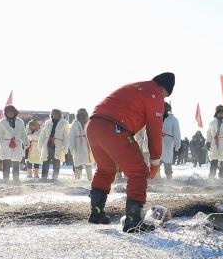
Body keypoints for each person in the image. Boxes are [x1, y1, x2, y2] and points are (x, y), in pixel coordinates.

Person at [86, 72, 173, 232]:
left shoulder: (136, 87)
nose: (163, 99)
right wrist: (155, 161)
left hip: (93, 125)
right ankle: (133, 221)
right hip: (115, 127)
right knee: (138, 172)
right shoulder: (154, 94)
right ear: (163, 89)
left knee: (105, 170)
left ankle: (96, 213)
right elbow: (155, 130)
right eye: (165, 96)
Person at [0, 104, 27, 182]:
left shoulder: (20, 121)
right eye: (8, 112)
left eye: (12, 112)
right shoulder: (2, 122)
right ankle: (6, 179)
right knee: (6, 162)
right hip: (6, 144)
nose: (10, 114)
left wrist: (26, 142)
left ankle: (16, 179)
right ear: (6, 113)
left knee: (16, 162)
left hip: (17, 143)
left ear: (15, 112)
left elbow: (23, 133)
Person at [39, 109, 69, 180]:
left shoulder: (64, 123)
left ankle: (55, 177)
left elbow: (66, 136)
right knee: (46, 160)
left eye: (56, 114)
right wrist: (40, 143)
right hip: (48, 143)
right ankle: (44, 177)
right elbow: (43, 133)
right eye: (53, 114)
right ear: (51, 115)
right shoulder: (48, 122)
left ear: (59, 115)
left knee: (56, 161)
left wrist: (65, 147)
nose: (55, 115)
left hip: (58, 144)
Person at [68, 108, 93, 180]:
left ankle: (90, 179)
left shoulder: (89, 122)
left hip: (87, 145)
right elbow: (71, 136)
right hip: (77, 145)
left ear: (86, 114)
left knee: (88, 163)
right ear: (78, 115)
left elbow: (92, 134)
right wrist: (71, 147)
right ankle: (77, 178)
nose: (81, 116)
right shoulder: (74, 124)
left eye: (83, 114)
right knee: (77, 163)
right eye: (80, 114)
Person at [161, 102, 180, 179]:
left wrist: (177, 144)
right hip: (156, 141)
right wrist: (146, 141)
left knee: (167, 161)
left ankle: (169, 178)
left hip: (167, 142)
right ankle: (155, 178)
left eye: (165, 109)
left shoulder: (173, 119)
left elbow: (177, 132)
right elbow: (149, 129)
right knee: (155, 161)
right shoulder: (155, 117)